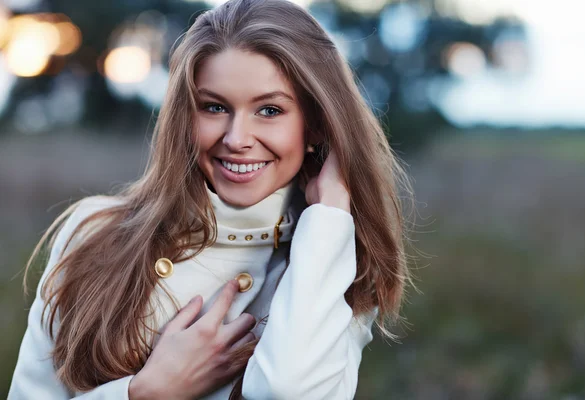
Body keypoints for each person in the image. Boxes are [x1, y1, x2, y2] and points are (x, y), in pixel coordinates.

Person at [9, 0, 413, 398]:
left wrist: (329, 214)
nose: (236, 139)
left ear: (318, 125)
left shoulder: (338, 265)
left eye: (270, 110)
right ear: (186, 116)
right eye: (215, 107)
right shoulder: (94, 233)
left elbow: (287, 390)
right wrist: (145, 393)